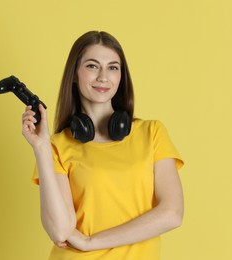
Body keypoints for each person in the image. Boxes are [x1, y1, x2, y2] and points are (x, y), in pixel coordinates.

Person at [22, 31, 184, 260]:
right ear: (75, 74)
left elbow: (172, 214)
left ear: (121, 77)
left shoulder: (151, 133)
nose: (103, 77)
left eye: (113, 67)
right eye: (92, 66)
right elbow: (60, 229)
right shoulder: (57, 146)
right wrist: (40, 147)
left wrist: (91, 242)